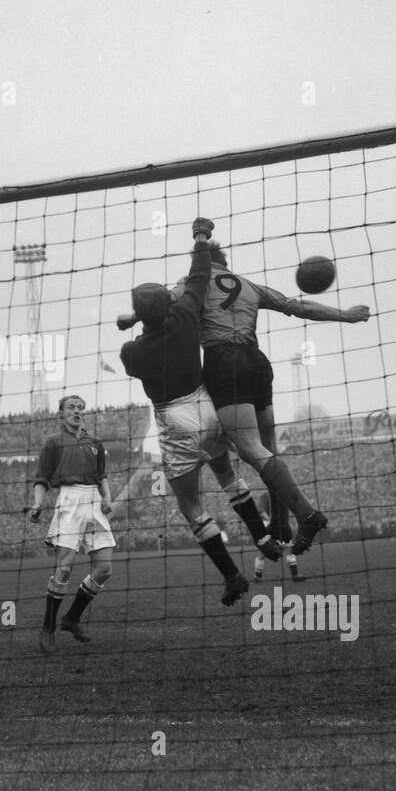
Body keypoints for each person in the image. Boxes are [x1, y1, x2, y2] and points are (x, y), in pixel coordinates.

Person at [175, 219, 371, 558]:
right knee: (270, 447)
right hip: (257, 362)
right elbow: (297, 307)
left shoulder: (193, 283)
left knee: (251, 450)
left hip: (225, 362)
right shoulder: (247, 284)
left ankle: (308, 515)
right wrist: (346, 315)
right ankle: (280, 522)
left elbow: (164, 308)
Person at [118, 222, 280, 607]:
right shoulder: (189, 312)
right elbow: (199, 272)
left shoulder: (132, 354)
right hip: (207, 406)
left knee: (191, 506)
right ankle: (262, 537)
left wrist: (134, 323)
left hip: (175, 420)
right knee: (226, 473)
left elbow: (142, 340)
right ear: (170, 304)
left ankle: (232, 576)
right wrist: (201, 237)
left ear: (143, 316)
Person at [27, 395, 116, 652]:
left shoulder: (95, 443)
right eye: (71, 408)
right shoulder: (53, 443)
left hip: (94, 501)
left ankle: (72, 618)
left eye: (80, 408)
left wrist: (107, 497)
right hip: (70, 499)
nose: (76, 412)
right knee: (64, 568)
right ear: (61, 414)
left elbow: (102, 476)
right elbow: (42, 478)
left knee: (104, 569)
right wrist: (37, 504)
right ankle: (48, 627)